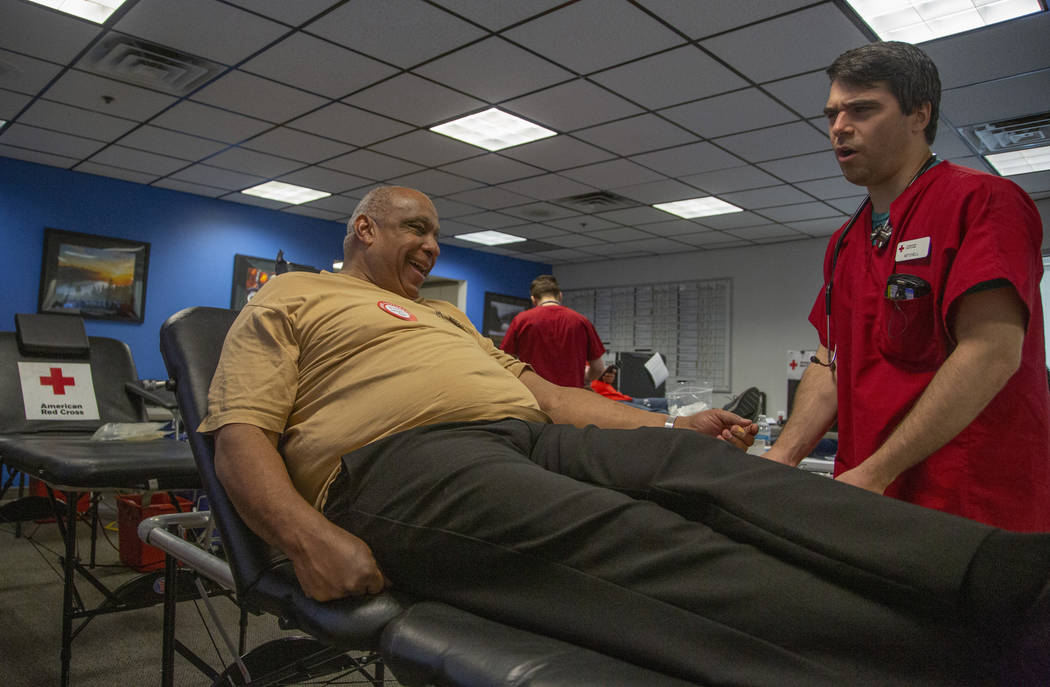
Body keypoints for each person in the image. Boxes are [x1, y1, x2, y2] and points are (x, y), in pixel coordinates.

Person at [200, 185, 1050, 685]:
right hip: (398, 467)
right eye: (414, 228)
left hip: (520, 431)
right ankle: (950, 659)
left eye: (436, 231)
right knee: (647, 539)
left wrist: (668, 424)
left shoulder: (447, 318)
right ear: (363, 230)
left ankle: (998, 571)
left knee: (697, 469)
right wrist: (305, 536)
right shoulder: (292, 297)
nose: (431, 243)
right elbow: (238, 430)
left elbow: (551, 397)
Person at [763, 41, 1050, 533]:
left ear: (920, 115)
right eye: (832, 114)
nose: (839, 128)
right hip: (866, 495)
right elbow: (830, 359)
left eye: (862, 109)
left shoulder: (983, 201)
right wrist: (780, 456)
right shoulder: (845, 242)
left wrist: (876, 472)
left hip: (966, 503)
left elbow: (992, 352)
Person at [499, 274, 605, 387]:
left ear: (533, 299)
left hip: (534, 395)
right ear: (560, 296)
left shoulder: (521, 320)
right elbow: (598, 368)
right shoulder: (581, 321)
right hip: (571, 396)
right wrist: (586, 377)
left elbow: (505, 362)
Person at [591, 364, 668, 411]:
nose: (613, 376)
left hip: (628, 400)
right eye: (610, 374)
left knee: (663, 402)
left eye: (614, 374)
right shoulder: (595, 384)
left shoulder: (604, 383)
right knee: (652, 411)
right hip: (621, 404)